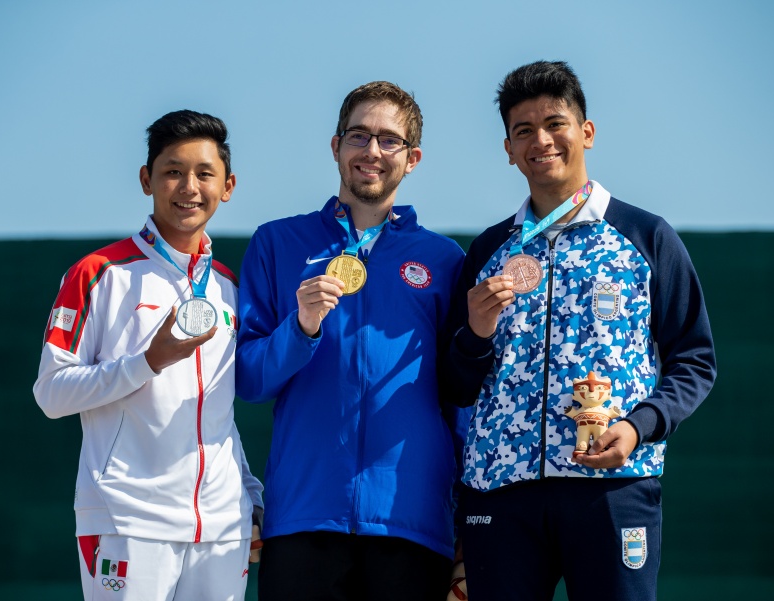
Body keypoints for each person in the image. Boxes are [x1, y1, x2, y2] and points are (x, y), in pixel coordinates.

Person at [441, 61, 717, 601]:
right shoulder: (488, 251)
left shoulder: (646, 236)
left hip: (614, 487)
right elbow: (454, 387)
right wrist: (474, 334)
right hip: (501, 492)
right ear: (508, 149)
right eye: (523, 130)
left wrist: (640, 426)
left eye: (555, 123)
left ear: (586, 132)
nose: (540, 140)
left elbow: (695, 359)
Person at [235, 81, 468, 600]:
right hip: (302, 517)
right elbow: (249, 378)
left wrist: (467, 532)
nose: (372, 151)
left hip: (413, 522)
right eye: (359, 135)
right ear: (336, 146)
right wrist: (301, 328)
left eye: (389, 140)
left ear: (413, 158)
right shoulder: (276, 243)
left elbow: (462, 399)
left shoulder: (444, 259)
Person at [33, 110, 264, 601]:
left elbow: (217, 410)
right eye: (173, 171)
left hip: (222, 525)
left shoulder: (228, 286)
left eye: (205, 173)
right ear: (147, 179)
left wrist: (250, 495)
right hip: (128, 519)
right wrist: (148, 361)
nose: (189, 187)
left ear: (228, 186)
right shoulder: (98, 273)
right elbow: (51, 392)